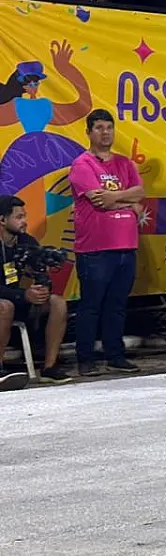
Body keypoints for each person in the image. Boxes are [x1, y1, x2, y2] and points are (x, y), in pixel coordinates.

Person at [69, 109, 142, 376]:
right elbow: (99, 200)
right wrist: (127, 201)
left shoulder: (125, 164)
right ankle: (85, 359)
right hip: (95, 249)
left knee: (117, 306)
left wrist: (117, 198)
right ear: (88, 132)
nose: (105, 132)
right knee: (91, 306)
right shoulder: (82, 164)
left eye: (109, 127)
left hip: (126, 246)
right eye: (99, 128)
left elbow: (139, 192)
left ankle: (115, 356)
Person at [0, 195, 70, 385]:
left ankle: (49, 367)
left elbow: (41, 273)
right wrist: (23, 295)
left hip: (19, 301)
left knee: (57, 302)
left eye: (25, 216)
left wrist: (42, 288)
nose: (24, 221)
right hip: (7, 303)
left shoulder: (26, 241)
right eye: (19, 217)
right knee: (5, 306)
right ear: (2, 220)